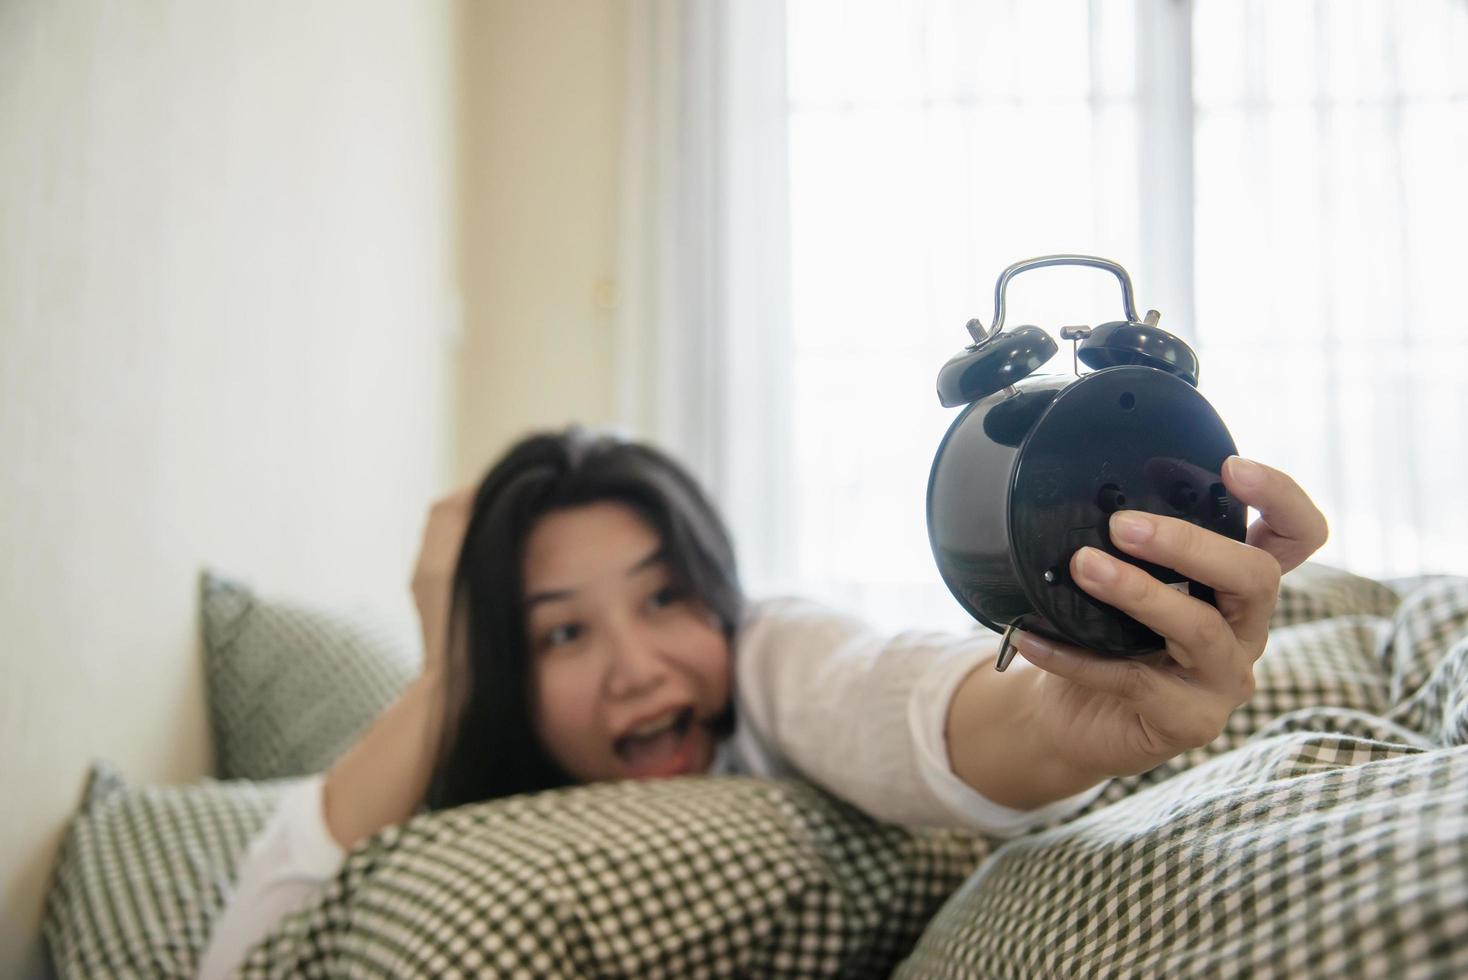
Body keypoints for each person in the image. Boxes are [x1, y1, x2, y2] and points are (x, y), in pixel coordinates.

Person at [199, 428, 1328, 978]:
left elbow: (884, 699)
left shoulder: (764, 659)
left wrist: (1057, 721)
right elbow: (259, 943)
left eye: (666, 597)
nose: (638, 664)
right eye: (562, 630)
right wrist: (449, 665)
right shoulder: (463, 778)